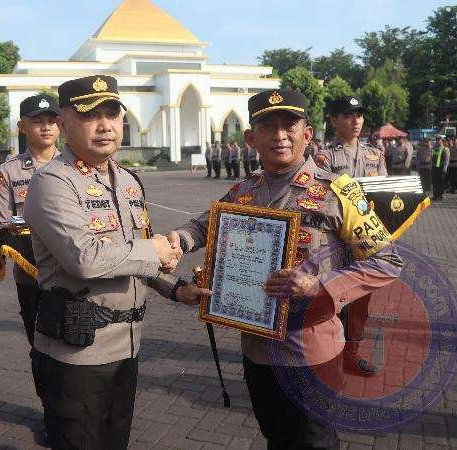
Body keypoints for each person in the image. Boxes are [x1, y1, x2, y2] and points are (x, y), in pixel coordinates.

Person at [167, 89, 402, 450]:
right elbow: (204, 225)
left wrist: (321, 286)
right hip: (257, 348)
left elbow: (387, 261)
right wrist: (179, 241)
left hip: (310, 349)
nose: (280, 136)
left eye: (289, 126)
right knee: (275, 438)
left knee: (315, 442)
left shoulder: (337, 191)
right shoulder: (244, 190)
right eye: (268, 127)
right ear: (251, 138)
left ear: (307, 134)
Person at [23, 75, 208, 450]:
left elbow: (132, 255)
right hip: (78, 354)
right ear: (63, 123)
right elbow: (85, 258)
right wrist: (155, 250)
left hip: (127, 346)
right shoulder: (53, 182)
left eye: (112, 114)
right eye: (90, 115)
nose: (105, 125)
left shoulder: (127, 181)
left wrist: (176, 289)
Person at [0, 93, 61, 441]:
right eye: (37, 121)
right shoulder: (8, 172)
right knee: (41, 346)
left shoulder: (78, 166)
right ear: (22, 126)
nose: (46, 127)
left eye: (51, 121)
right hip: (32, 275)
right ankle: (52, 413)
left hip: (75, 272)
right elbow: (3, 224)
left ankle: (73, 411)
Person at [314, 96, 388, 376]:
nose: (356, 120)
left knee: (360, 299)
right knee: (330, 297)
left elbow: (384, 195)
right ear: (334, 121)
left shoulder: (375, 154)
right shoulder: (325, 157)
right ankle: (328, 354)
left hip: (365, 240)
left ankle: (351, 355)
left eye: (359, 115)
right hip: (334, 240)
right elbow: (318, 198)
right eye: (347, 115)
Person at [430, 135, 449, 201]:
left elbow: (446, 160)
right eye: (437, 140)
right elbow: (432, 158)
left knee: (440, 182)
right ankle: (435, 195)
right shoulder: (434, 149)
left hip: (441, 168)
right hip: (434, 168)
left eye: (439, 140)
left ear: (442, 141)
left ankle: (439, 196)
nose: (438, 141)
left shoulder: (445, 149)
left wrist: (445, 168)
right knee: (434, 182)